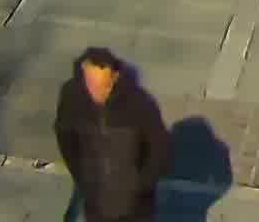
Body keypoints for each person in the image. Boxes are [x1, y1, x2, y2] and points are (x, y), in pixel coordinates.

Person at [54, 47, 172, 222]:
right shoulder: (72, 96)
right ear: (84, 74)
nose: (99, 93)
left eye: (105, 86)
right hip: (96, 202)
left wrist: (140, 186)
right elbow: (65, 136)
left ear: (115, 77)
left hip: (135, 207)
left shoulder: (139, 103)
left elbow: (160, 150)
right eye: (92, 85)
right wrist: (82, 176)